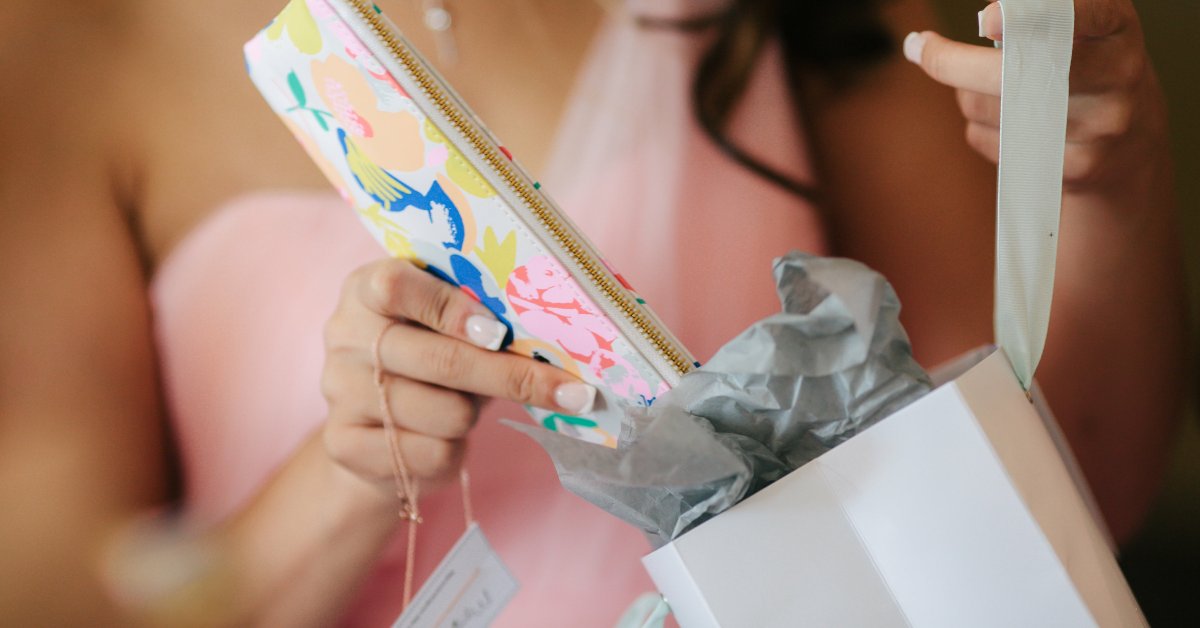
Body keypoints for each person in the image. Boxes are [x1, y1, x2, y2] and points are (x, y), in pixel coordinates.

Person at [0, 0, 1183, 625]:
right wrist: (347, 478)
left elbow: (1064, 493)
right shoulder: (68, 48)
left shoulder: (803, 16)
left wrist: (1098, 184)